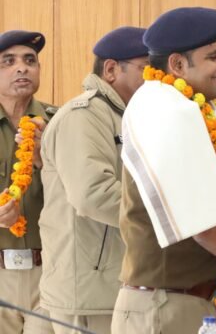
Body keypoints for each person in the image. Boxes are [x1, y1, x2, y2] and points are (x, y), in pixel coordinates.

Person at [111, 7, 216, 334]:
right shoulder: (166, 110)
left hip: (178, 305)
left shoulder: (187, 105)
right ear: (177, 65)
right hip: (163, 309)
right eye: (214, 57)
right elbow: (206, 228)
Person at [38, 27, 149, 334]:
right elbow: (94, 195)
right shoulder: (84, 115)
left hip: (117, 284)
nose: (157, 79)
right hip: (89, 292)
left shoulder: (127, 116)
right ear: (111, 69)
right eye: (146, 69)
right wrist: (164, 216)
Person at [0, 30, 55, 333]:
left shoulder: (60, 122)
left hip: (50, 272)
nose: (22, 68)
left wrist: (45, 161)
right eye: (8, 61)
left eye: (29, 60)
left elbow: (82, 195)